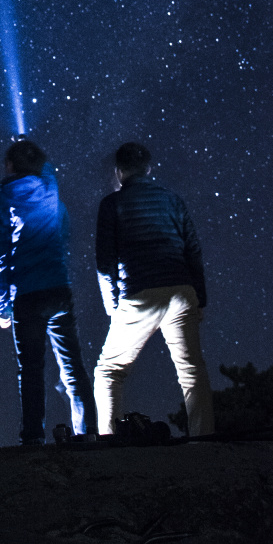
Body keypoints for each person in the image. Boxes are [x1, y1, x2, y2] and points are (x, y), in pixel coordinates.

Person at [93, 141, 215, 438]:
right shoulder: (173, 200)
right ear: (149, 169)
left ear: (118, 172)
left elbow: (104, 262)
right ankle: (204, 438)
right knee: (191, 371)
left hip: (140, 292)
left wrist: (113, 307)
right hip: (181, 290)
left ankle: (109, 442)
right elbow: (193, 251)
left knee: (108, 372)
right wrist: (200, 298)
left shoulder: (112, 204)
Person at [0, 137, 96, 445]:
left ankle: (33, 437)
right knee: (73, 364)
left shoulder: (0, 202)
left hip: (28, 295)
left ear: (9, 166)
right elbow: (64, 229)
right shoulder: (51, 191)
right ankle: (89, 433)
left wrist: (0, 307)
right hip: (59, 288)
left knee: (31, 370)